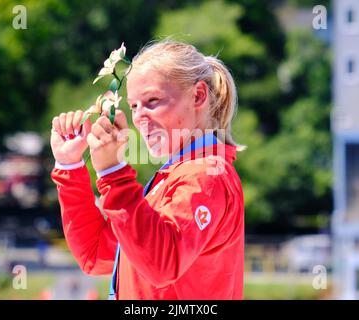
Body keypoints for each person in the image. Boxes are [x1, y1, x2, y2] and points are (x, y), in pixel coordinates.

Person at [50, 40, 245, 300]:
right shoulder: (174, 176)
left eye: (152, 101)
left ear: (198, 95)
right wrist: (70, 165)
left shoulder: (208, 174)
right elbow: (95, 255)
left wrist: (113, 173)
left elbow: (162, 265)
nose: (139, 117)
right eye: (133, 106)